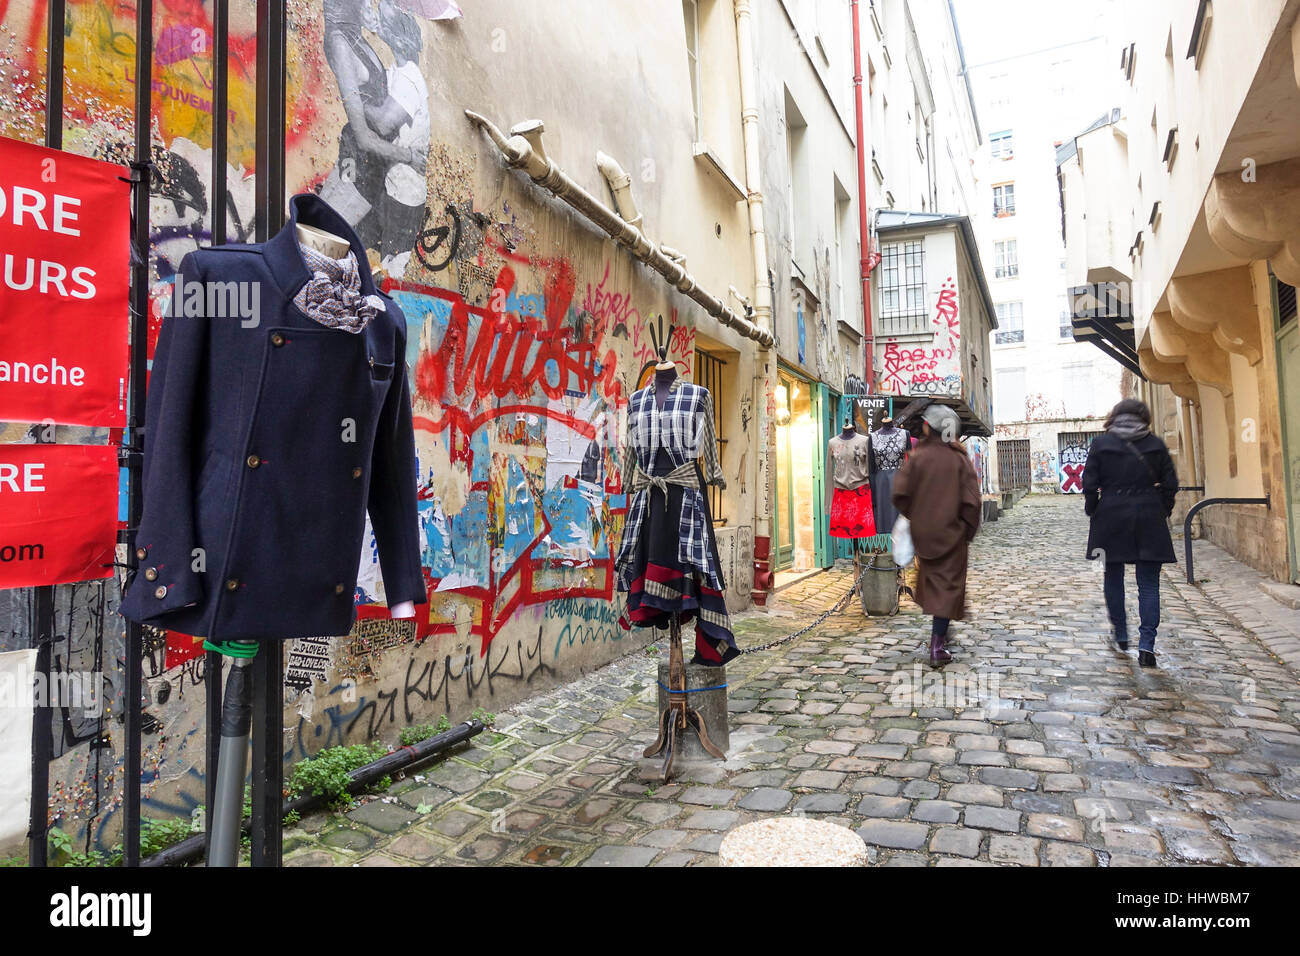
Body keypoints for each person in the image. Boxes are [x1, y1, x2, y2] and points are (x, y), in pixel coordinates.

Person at [1083, 398, 1178, 667]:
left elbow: (1089, 483)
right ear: (1144, 418)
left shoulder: (1102, 444)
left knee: (1113, 576)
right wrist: (1162, 510)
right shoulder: (1155, 444)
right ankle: (1146, 645)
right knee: (1149, 584)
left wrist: (1094, 510)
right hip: (1149, 514)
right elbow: (1171, 485)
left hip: (1111, 514)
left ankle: (1121, 634)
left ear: (1115, 417)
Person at [892, 403, 981, 666]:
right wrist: (966, 531)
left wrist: (918, 517)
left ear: (929, 428)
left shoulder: (918, 457)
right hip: (952, 536)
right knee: (946, 589)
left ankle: (942, 631)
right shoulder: (958, 460)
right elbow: (973, 503)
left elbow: (899, 494)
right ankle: (937, 647)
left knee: (935, 587)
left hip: (924, 536)